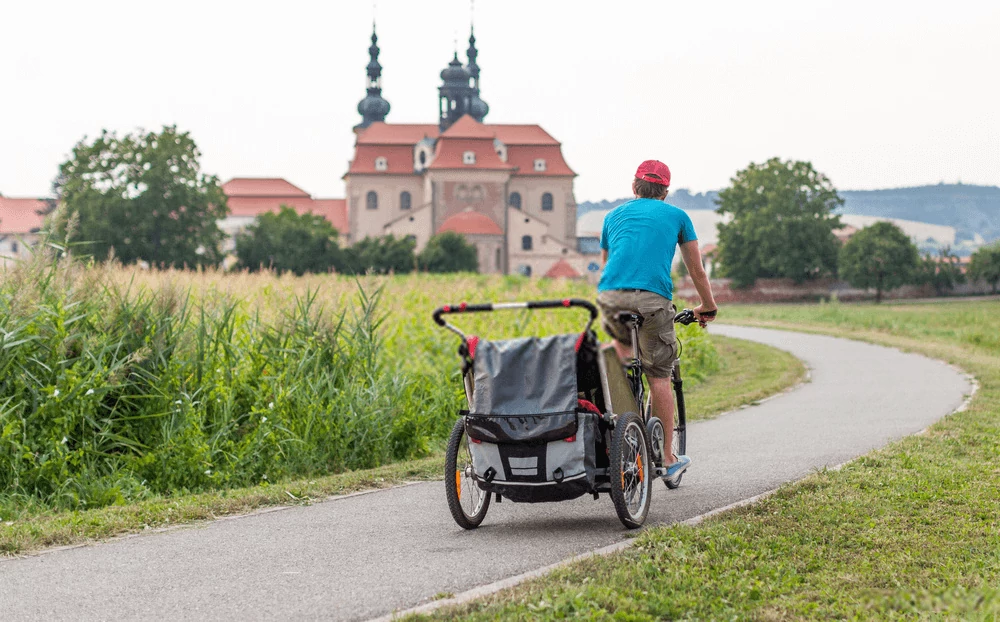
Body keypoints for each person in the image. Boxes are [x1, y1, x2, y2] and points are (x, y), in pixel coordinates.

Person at [597, 159, 718, 484]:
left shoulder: (612, 216)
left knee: (621, 355)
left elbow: (609, 265)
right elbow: (696, 269)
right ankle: (665, 458)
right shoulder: (678, 216)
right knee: (660, 376)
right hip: (652, 301)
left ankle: (621, 428)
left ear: (634, 186)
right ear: (665, 190)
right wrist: (707, 305)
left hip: (610, 297)